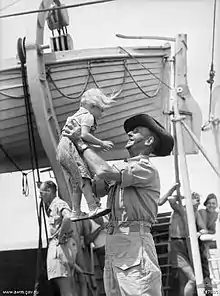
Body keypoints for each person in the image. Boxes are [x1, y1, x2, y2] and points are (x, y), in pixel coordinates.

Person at [62, 113, 174, 296]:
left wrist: (81, 144)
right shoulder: (123, 170)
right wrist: (73, 153)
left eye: (136, 131)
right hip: (117, 245)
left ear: (149, 141)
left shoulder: (145, 168)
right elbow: (96, 188)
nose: (129, 133)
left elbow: (103, 170)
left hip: (134, 245)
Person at [56, 88, 115, 221]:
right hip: (70, 147)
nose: (102, 113)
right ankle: (92, 207)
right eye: (102, 109)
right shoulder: (88, 116)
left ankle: (75, 211)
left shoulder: (76, 116)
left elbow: (79, 140)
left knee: (76, 181)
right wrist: (101, 143)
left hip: (62, 148)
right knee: (84, 177)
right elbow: (84, 135)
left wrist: (95, 148)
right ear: (94, 106)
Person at [158, 186, 201, 296]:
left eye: (199, 200)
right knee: (193, 279)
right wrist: (178, 194)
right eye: (196, 200)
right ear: (190, 201)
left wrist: (199, 233)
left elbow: (204, 228)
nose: (198, 202)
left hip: (186, 244)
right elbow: (171, 200)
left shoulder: (195, 213)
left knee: (183, 281)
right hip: (177, 244)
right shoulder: (181, 208)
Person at [39, 180, 78, 296]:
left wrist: (60, 237)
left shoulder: (58, 203)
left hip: (59, 248)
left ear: (49, 191)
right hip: (61, 248)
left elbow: (68, 217)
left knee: (65, 289)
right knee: (67, 288)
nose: (40, 196)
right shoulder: (52, 206)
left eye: (42, 193)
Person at [197, 193, 218, 291]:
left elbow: (212, 231)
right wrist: (205, 231)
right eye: (209, 203)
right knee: (205, 268)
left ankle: (210, 289)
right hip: (200, 243)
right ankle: (208, 290)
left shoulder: (215, 214)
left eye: (214, 203)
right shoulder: (201, 212)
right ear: (205, 204)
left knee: (210, 268)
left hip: (208, 243)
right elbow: (202, 229)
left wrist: (207, 231)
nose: (211, 205)